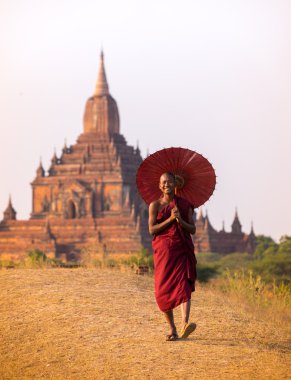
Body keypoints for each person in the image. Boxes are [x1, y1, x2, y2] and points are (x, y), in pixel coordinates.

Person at [148, 172, 197, 341]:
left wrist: (181, 221)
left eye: (169, 181)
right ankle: (172, 328)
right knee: (162, 292)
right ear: (159, 185)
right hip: (163, 253)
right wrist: (170, 219)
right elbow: (152, 230)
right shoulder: (155, 205)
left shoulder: (185, 205)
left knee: (183, 285)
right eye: (163, 182)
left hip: (181, 249)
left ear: (175, 183)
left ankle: (184, 324)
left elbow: (192, 229)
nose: (166, 184)